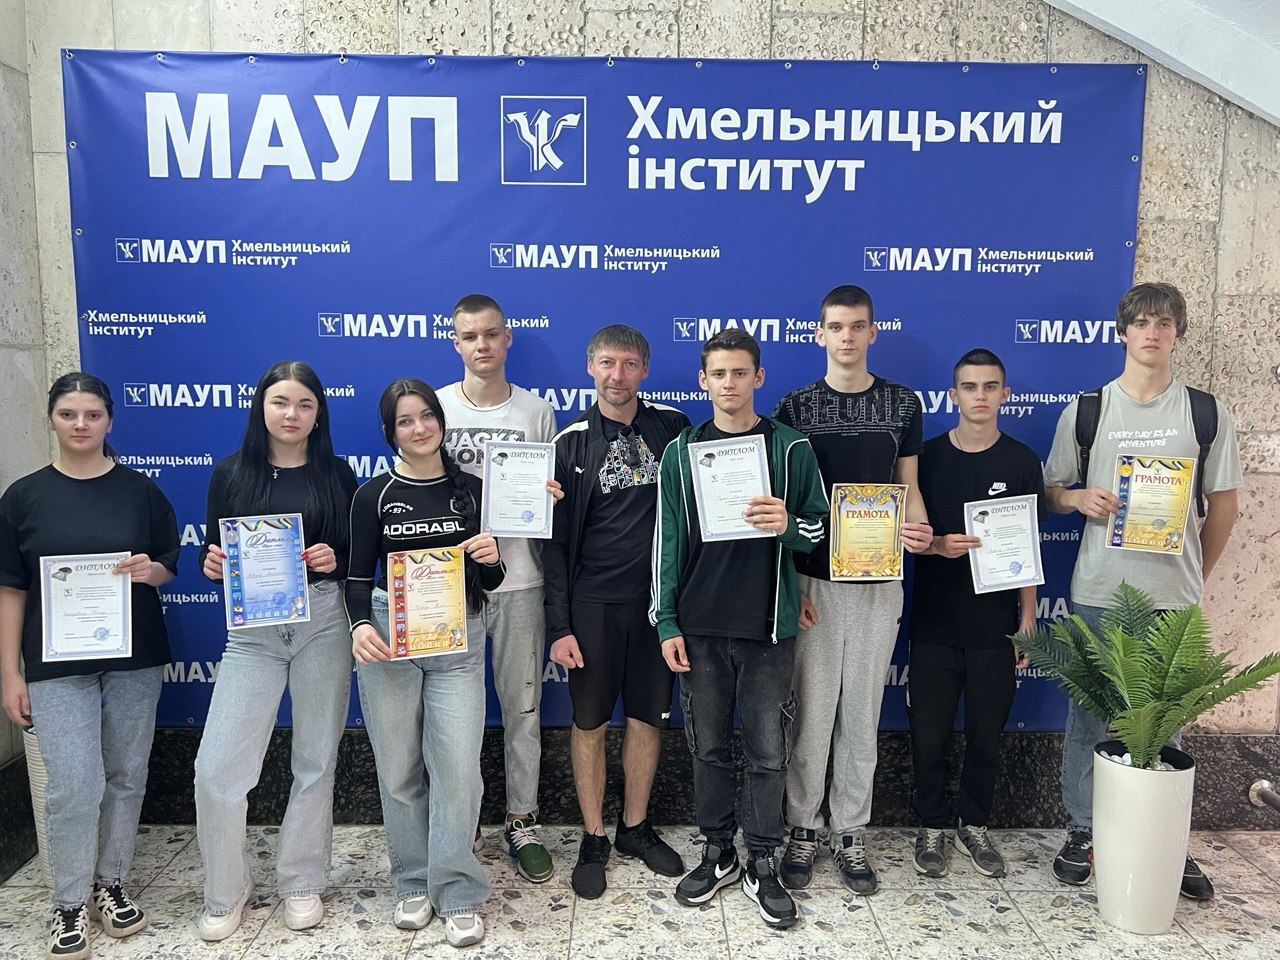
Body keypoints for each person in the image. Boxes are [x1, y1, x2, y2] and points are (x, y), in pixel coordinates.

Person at [1043, 282, 1241, 899]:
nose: (1151, 333)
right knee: (1088, 717)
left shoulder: (1206, 413)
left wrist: (1194, 575)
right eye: (1141, 323)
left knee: (1165, 725)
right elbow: (1052, 491)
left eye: (1163, 323)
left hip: (1171, 597)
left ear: (1178, 332)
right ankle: (1083, 830)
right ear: (1122, 332)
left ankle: (1163, 839)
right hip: (1099, 589)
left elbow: (1225, 507)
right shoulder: (1088, 411)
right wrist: (1078, 498)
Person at [0, 373, 179, 960]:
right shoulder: (23, 497)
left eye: (93, 414)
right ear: (52, 418)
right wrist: (10, 673)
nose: (81, 425)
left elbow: (168, 564)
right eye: (69, 414)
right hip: (55, 664)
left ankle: (111, 883)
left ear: (109, 420)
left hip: (133, 658)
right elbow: (10, 590)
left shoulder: (140, 492)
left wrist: (152, 572)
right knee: (74, 785)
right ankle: (68, 902)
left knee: (126, 774)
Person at [653, 329, 827, 929]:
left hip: (767, 628)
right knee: (707, 747)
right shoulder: (681, 451)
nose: (729, 383)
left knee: (767, 752)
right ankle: (717, 849)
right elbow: (667, 541)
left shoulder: (790, 448)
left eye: (740, 372)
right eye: (719, 374)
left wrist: (787, 524)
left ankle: (762, 859)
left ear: (759, 377)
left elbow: (819, 530)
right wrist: (666, 620)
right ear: (703, 381)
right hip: (700, 625)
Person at [773, 284, 933, 894]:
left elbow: (908, 486)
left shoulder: (902, 403)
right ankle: (802, 827)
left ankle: (850, 832)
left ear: (872, 332)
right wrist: (790, 587)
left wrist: (920, 529)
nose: (847, 336)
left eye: (857, 326)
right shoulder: (795, 406)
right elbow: (786, 502)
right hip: (813, 580)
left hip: (877, 578)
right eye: (836, 327)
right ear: (819, 334)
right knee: (812, 715)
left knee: (862, 714)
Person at [193, 360, 359, 940]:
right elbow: (212, 550)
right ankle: (225, 890)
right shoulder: (230, 473)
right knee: (216, 769)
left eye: (305, 405)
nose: (292, 414)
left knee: (315, 760)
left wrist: (335, 558)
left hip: (323, 623)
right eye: (281, 402)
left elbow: (354, 555)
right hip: (253, 635)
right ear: (261, 406)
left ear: (319, 414)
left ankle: (302, 880)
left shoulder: (337, 473)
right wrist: (211, 563)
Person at [346, 379, 504, 947]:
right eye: (405, 421)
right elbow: (357, 577)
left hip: (458, 641)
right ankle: (413, 880)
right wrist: (359, 625)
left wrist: (491, 558)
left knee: (458, 768)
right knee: (399, 768)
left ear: (441, 420)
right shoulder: (373, 495)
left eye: (427, 416)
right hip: (389, 640)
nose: (419, 428)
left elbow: (493, 579)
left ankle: (457, 888)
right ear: (390, 432)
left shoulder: (473, 491)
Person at [544, 324, 690, 899]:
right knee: (589, 724)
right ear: (590, 368)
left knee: (649, 719)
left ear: (644, 370)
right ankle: (594, 836)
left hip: (657, 606)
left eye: (629, 364)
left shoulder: (673, 429)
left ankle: (634, 827)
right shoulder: (570, 443)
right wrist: (559, 626)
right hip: (592, 607)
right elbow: (554, 545)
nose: (617, 375)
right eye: (607, 363)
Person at [906, 348, 1044, 879]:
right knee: (929, 736)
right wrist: (937, 545)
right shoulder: (926, 458)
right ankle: (932, 826)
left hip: (996, 627)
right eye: (969, 386)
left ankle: (975, 825)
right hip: (934, 622)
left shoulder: (1022, 461)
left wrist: (1027, 618)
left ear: (1005, 395)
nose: (980, 396)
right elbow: (907, 534)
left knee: (987, 735)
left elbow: (1028, 545)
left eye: (990, 387)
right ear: (953, 395)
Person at [438, 293, 558, 882]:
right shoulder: (434, 408)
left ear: (508, 338)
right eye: (470, 336)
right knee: (453, 715)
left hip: (521, 581)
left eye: (491, 334)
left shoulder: (536, 411)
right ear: (455, 342)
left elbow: (548, 503)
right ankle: (460, 822)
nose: (481, 345)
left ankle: (521, 819)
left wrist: (552, 499)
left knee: (523, 708)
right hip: (449, 587)